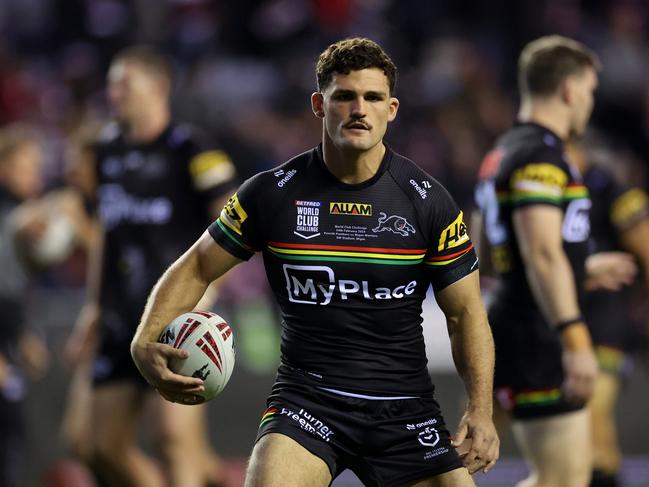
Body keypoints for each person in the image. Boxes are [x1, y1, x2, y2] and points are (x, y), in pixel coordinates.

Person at [131, 37, 499, 487]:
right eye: (344, 96)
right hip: (307, 404)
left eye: (373, 97)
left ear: (393, 108)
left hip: (405, 409)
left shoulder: (428, 202)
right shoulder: (271, 193)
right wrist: (145, 338)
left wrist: (480, 410)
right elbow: (196, 267)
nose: (359, 109)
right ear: (318, 105)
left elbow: (466, 314)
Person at [64, 46, 236, 487]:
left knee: (172, 439)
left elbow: (233, 226)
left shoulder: (192, 149)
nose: (113, 93)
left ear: (158, 87)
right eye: (112, 84)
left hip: (176, 314)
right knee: (99, 447)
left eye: (124, 84)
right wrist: (94, 306)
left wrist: (209, 292)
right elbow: (107, 229)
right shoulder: (105, 150)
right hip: (121, 313)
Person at [473, 35, 602, 487]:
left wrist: (583, 266)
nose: (589, 102)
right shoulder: (541, 156)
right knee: (562, 479)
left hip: (510, 319)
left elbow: (485, 255)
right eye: (589, 91)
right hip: (537, 330)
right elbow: (542, 251)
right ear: (569, 90)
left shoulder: (503, 150)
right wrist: (575, 338)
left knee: (466, 467)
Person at [567, 138, 649, 487]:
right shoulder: (537, 192)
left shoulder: (608, 188)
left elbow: (645, 247)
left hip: (607, 322)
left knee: (593, 413)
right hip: (560, 322)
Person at [0, 124, 51, 487]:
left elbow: (15, 288)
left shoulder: (21, 216)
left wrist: (25, 333)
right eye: (26, 165)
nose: (36, 174)